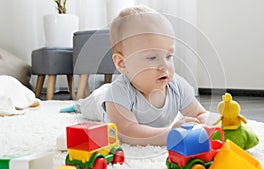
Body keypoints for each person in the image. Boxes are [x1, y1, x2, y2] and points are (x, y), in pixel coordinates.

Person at [61, 5, 208, 146]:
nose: (165, 66)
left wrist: (205, 126)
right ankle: (78, 104)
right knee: (92, 101)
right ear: (122, 63)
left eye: (169, 56)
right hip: (101, 101)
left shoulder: (177, 86)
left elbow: (201, 113)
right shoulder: (117, 92)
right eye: (152, 57)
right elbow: (127, 132)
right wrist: (169, 134)